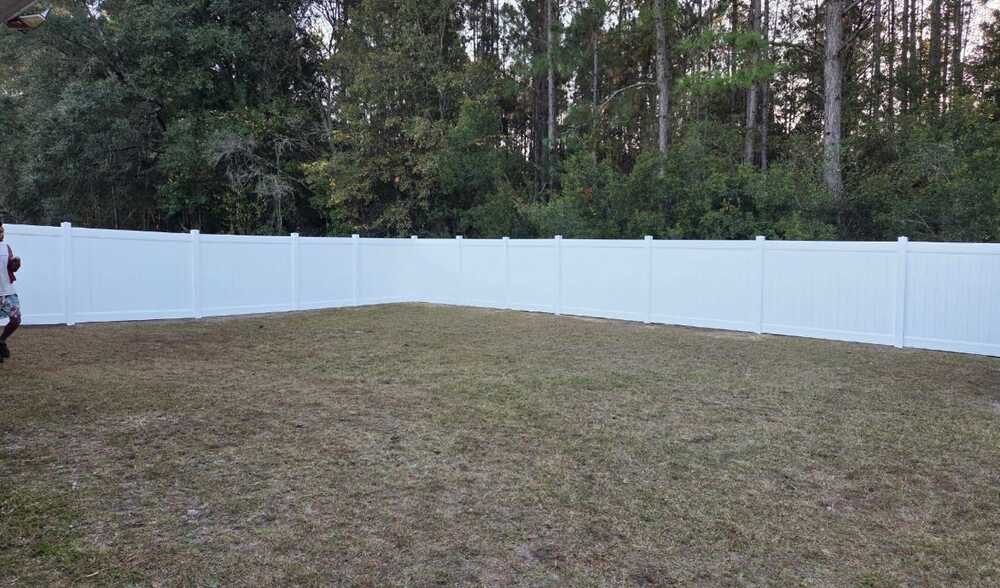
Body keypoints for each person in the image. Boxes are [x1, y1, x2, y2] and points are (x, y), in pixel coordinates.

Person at [0, 222, 22, 362]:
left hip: (8, 291)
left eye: (2, 231)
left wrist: (15, 264)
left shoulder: (6, 248)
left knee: (16, 319)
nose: (2, 234)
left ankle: (1, 341)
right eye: (0, 232)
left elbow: (11, 268)